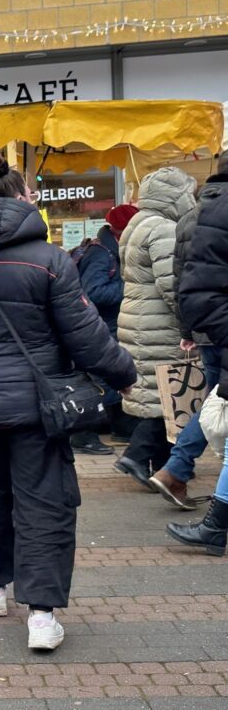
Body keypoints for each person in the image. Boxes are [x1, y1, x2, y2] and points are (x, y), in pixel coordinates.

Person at [0, 152, 136, 651]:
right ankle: (41, 616)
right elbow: (86, 336)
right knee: (44, 503)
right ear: (22, 200)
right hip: (39, 407)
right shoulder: (49, 260)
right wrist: (125, 374)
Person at [113, 167, 197, 490]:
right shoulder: (162, 228)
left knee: (163, 398)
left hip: (140, 321)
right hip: (158, 325)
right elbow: (172, 286)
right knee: (170, 399)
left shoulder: (138, 224)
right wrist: (190, 322)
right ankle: (138, 455)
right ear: (174, 197)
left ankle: (163, 468)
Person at [148, 168, 224, 508]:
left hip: (203, 324)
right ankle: (176, 469)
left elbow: (180, 280)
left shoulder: (187, 218)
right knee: (218, 399)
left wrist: (186, 330)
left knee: (216, 398)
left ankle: (176, 470)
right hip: (222, 322)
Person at [169, 152, 228, 554]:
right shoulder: (214, 212)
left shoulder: (194, 213)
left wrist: (189, 329)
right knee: (216, 407)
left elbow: (182, 279)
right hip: (216, 334)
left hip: (209, 333)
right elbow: (190, 284)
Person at [67, 203, 140, 454]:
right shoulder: (102, 254)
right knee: (100, 379)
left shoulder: (111, 250)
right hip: (98, 326)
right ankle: (82, 434)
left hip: (107, 325)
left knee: (114, 374)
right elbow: (93, 292)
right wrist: (129, 289)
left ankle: (121, 427)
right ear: (122, 231)